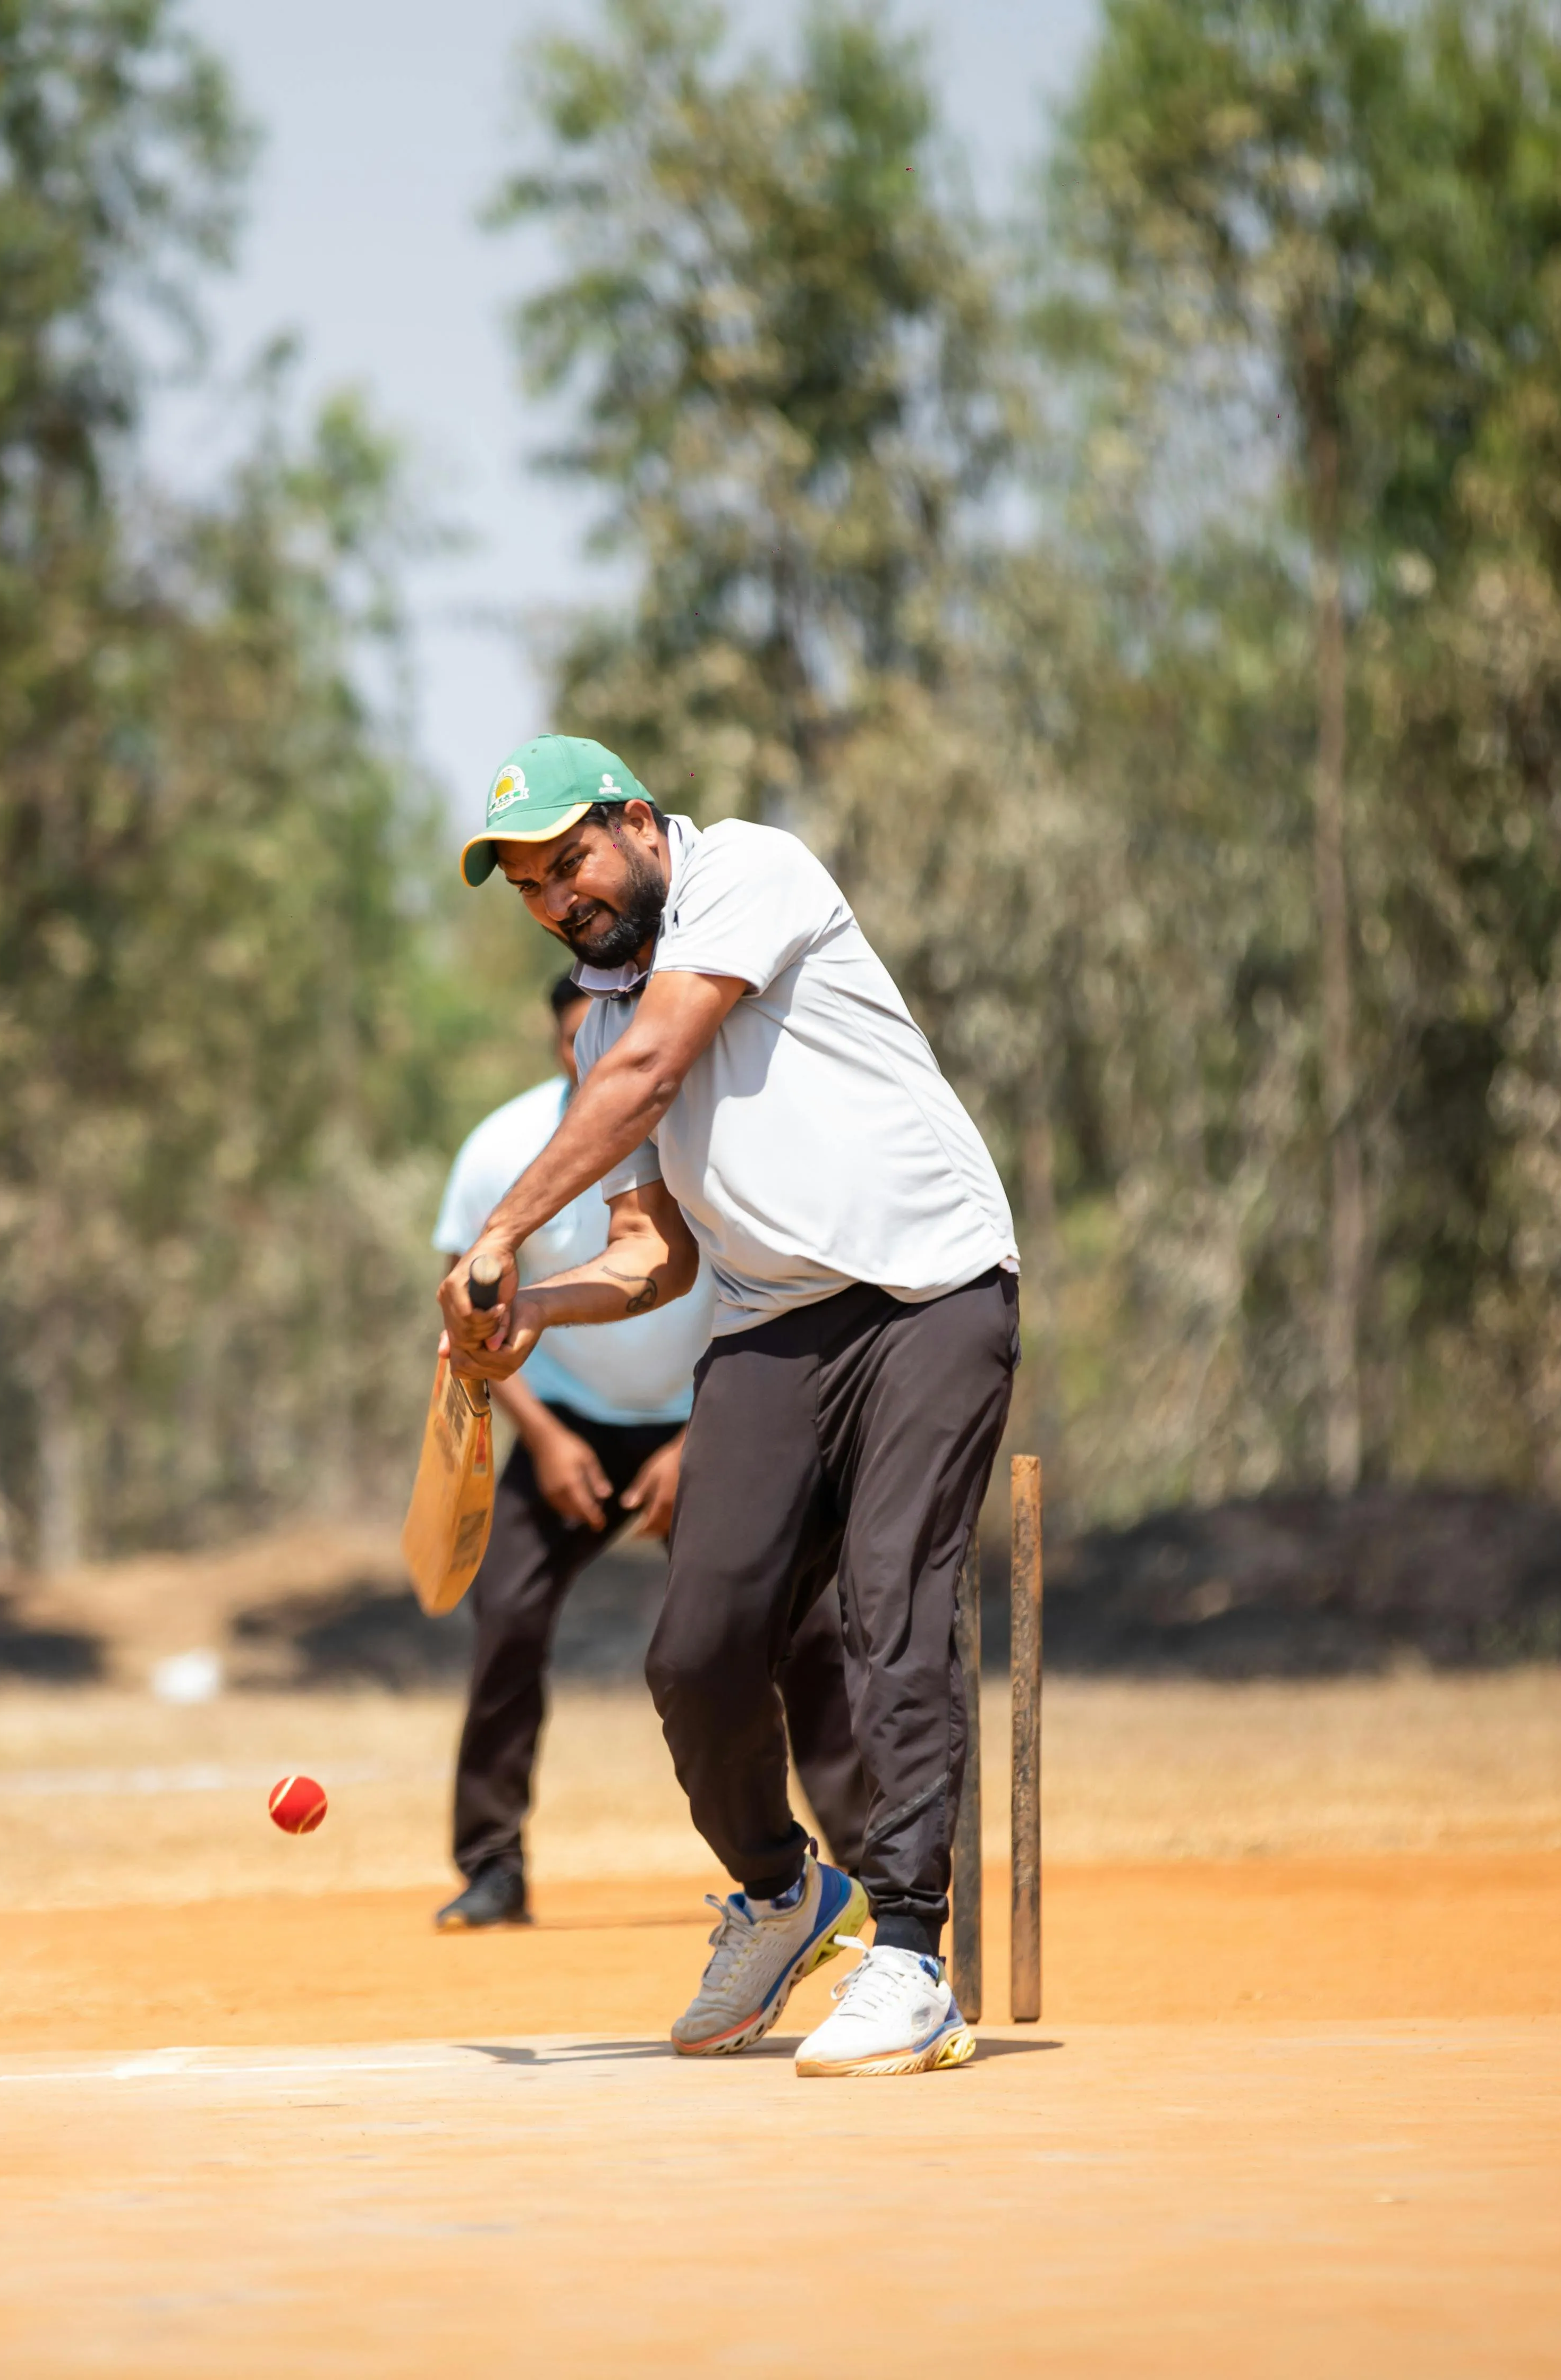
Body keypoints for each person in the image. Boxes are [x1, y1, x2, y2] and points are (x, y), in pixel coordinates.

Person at [439, 734, 1020, 2079]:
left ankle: (913, 1958)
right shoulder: (597, 1014)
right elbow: (655, 1255)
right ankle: (780, 1894)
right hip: (770, 1325)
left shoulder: (749, 871)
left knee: (891, 1608)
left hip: (929, 1289)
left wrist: (501, 1239)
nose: (556, 899)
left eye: (568, 862)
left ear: (640, 822)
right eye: (527, 887)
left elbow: (649, 1076)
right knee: (696, 1650)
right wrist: (537, 1311)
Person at [430, 973, 875, 1932]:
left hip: (710, 1415)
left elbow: (761, 1288)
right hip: (565, 1420)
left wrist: (692, 1441)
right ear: (566, 1052)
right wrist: (543, 1439)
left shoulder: (710, 1139)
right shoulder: (503, 1152)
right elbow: (466, 1310)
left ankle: (872, 1859)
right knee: (505, 1617)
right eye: (583, 1046)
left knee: (799, 1629)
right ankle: (491, 1869)